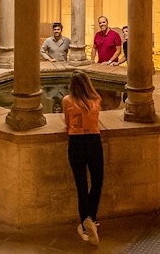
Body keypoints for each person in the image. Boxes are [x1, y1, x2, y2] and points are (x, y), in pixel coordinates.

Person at [62, 71, 103, 245]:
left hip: (76, 141)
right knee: (97, 181)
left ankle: (85, 224)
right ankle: (91, 218)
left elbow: (66, 120)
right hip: (93, 140)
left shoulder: (66, 100)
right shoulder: (96, 100)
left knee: (81, 185)